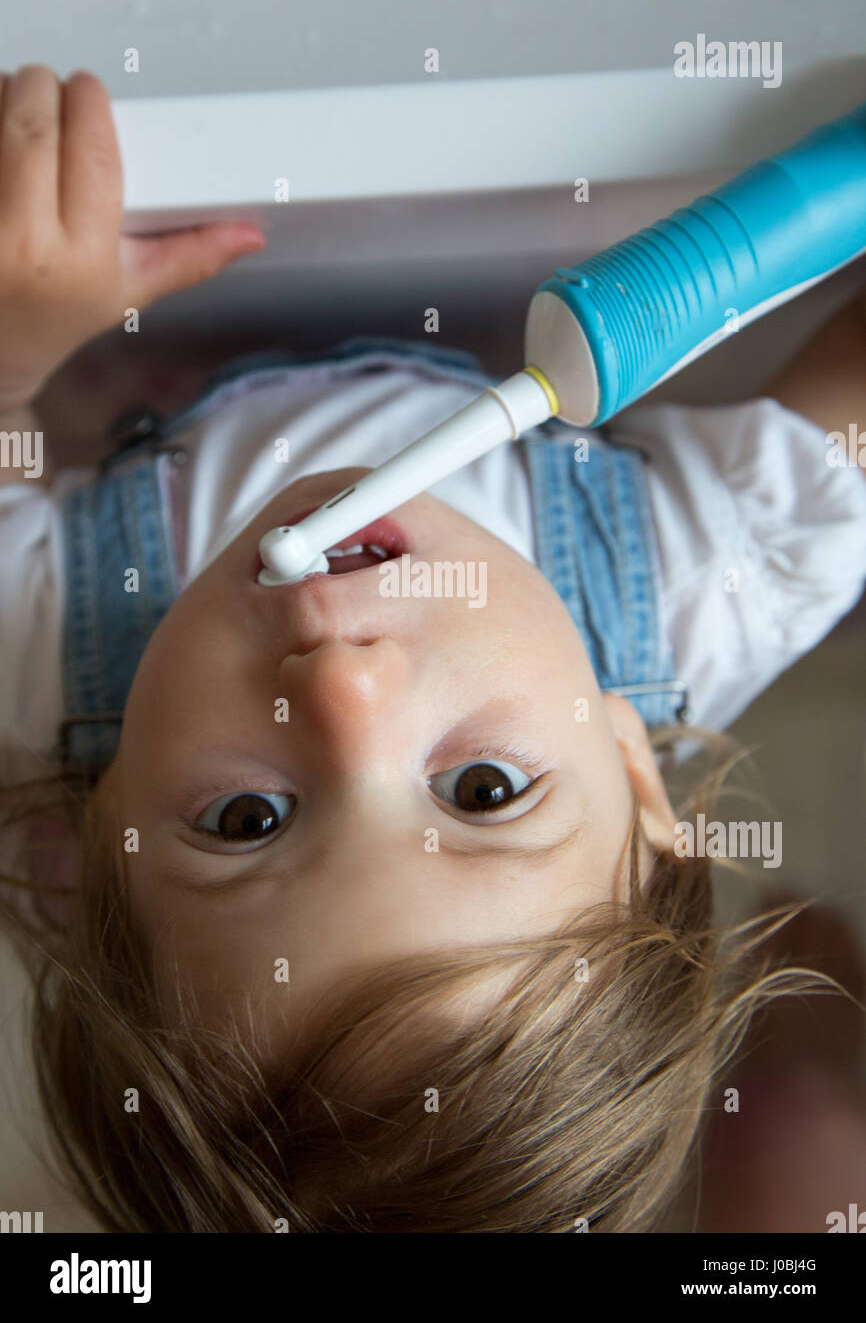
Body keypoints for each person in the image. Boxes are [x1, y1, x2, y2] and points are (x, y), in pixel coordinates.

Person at [1, 63, 864, 1233]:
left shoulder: (45, 649)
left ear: (94, 844)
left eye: (246, 820)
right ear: (632, 773)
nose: (343, 688)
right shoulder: (685, 591)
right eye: (483, 790)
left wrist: (16, 337)